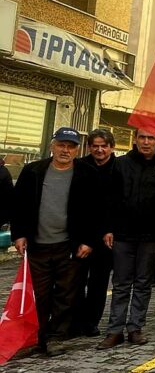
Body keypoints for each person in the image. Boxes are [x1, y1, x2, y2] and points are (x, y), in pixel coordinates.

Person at [11, 128, 97, 355]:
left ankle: (57, 337)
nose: (65, 150)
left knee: (66, 294)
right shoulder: (33, 171)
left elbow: (95, 211)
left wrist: (88, 241)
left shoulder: (87, 174)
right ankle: (37, 338)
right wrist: (19, 234)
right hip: (38, 244)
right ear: (52, 146)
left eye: (70, 146)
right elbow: (18, 206)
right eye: (61, 145)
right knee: (39, 294)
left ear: (77, 150)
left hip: (68, 245)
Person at [101, 129, 155, 348]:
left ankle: (135, 328)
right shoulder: (120, 164)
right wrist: (108, 228)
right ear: (135, 139)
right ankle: (114, 330)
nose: (146, 142)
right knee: (120, 284)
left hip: (152, 235)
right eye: (142, 137)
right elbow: (109, 199)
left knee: (143, 283)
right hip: (123, 234)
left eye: (151, 138)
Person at [75, 128, 117, 337]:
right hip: (80, 236)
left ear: (111, 147)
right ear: (89, 147)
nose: (99, 150)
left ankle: (91, 322)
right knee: (74, 282)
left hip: (105, 238)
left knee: (98, 284)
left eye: (104, 146)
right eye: (95, 146)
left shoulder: (120, 169)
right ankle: (75, 321)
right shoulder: (79, 166)